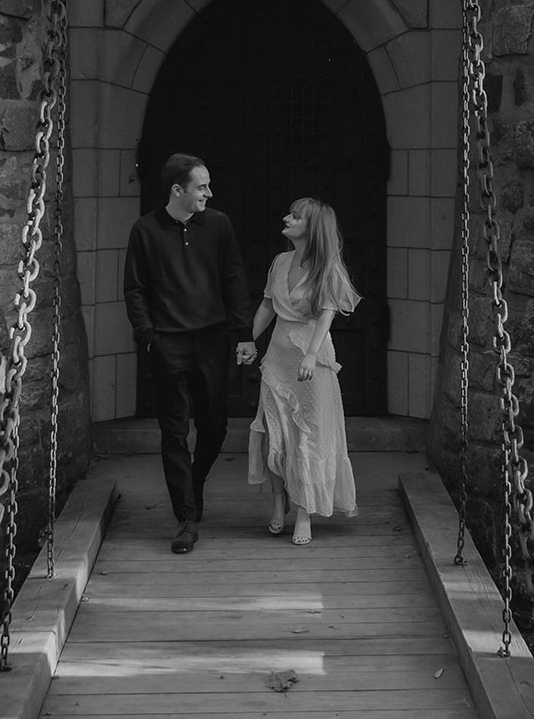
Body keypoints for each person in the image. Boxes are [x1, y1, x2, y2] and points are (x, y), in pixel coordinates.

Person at [123, 152, 252, 555]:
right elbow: (135, 288)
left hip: (212, 340)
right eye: (201, 186)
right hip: (168, 344)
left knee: (215, 427)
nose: (209, 193)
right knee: (174, 432)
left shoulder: (218, 224)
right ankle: (186, 518)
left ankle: (193, 484)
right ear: (178, 190)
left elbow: (234, 278)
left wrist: (243, 334)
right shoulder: (145, 229)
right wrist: (149, 336)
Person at [242, 197, 359, 545]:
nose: (286, 218)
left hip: (311, 359)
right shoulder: (281, 261)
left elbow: (326, 315)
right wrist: (248, 339)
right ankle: (279, 500)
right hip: (277, 358)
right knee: (272, 431)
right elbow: (267, 304)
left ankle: (305, 510)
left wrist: (310, 355)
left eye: (295, 217)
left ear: (312, 228)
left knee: (308, 434)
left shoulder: (328, 267)